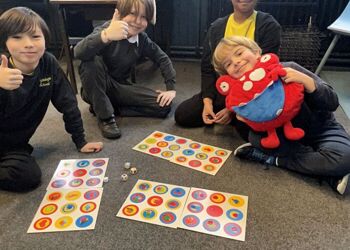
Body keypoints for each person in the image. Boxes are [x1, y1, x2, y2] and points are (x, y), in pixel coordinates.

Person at [212, 36, 350, 195]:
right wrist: (248, 121)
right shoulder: (240, 98)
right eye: (228, 64)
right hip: (284, 140)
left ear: (257, 52)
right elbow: (252, 133)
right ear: (227, 75)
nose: (236, 62)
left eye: (239, 53)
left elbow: (332, 102)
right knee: (254, 138)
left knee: (345, 157)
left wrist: (307, 82)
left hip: (321, 128)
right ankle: (324, 172)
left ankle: (273, 160)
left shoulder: (287, 68)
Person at [0, 7, 103, 192]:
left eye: (35, 37)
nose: (28, 44)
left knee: (28, 176)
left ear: (46, 40)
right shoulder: (2, 69)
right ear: (5, 42)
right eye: (17, 37)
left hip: (15, 146)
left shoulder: (48, 63)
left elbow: (68, 103)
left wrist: (81, 141)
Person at [174, 0, 281, 141]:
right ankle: (231, 115)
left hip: (256, 93)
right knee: (183, 115)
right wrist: (208, 103)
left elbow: (265, 70)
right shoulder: (216, 28)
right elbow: (207, 69)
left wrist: (231, 109)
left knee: (250, 130)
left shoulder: (268, 25)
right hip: (224, 90)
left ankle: (236, 116)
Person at [75, 0, 176, 139]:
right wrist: (106, 36)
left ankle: (108, 107)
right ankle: (105, 117)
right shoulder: (106, 29)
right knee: (90, 61)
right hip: (95, 88)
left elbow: (162, 58)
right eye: (132, 13)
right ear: (120, 13)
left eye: (144, 17)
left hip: (120, 88)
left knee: (164, 106)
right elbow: (78, 52)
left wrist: (171, 88)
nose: (137, 21)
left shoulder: (142, 39)